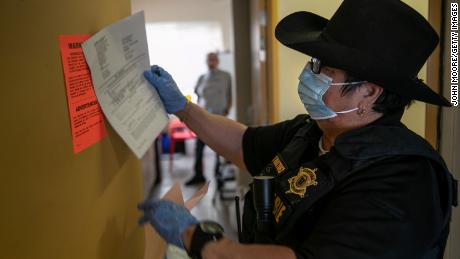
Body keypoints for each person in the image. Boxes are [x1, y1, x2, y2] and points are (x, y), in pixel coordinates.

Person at [139, 0, 458, 258]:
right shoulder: (314, 132)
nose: (309, 73)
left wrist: (198, 239)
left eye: (324, 69)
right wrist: (182, 106)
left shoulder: (402, 179)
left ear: (369, 92)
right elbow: (243, 143)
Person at [187, 52, 232, 185]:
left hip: (218, 118)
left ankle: (219, 175)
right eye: (209, 60)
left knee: (219, 148)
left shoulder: (226, 76)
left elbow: (230, 95)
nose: (211, 62)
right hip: (203, 119)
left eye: (214, 59)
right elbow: (197, 94)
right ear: (206, 62)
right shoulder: (202, 78)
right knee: (198, 148)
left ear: (217, 61)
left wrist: (226, 110)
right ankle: (198, 174)